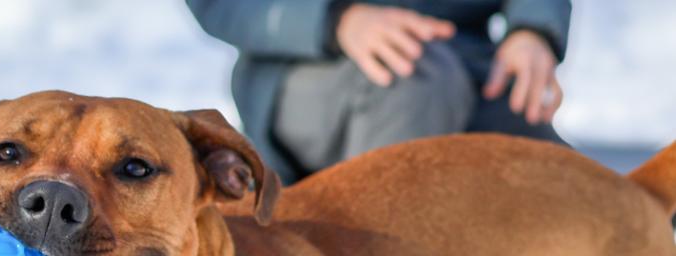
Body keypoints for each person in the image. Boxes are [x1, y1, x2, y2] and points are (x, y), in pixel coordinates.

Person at [186, 1, 572, 184]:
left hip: (471, 62)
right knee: (418, 83)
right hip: (307, 65)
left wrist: (533, 30)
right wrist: (337, 21)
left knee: (567, 189)